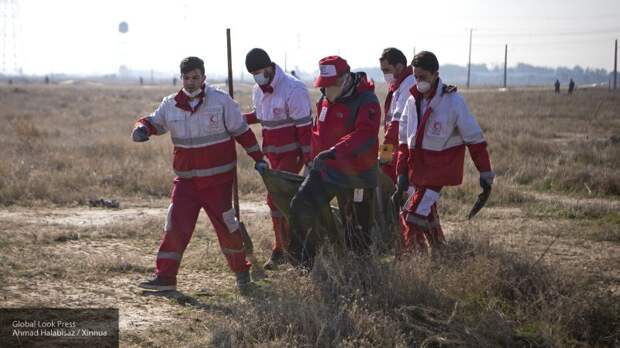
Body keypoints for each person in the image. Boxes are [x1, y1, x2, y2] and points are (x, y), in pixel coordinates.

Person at [132, 56, 268, 291]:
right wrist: (141, 129)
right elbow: (152, 122)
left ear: (203, 77)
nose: (190, 82)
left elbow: (243, 133)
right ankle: (165, 278)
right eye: (186, 77)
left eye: (195, 77)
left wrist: (259, 159)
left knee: (228, 228)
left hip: (217, 183)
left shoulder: (221, 102)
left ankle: (242, 273)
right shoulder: (171, 104)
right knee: (174, 226)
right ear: (181, 78)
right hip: (185, 183)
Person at [393, 51, 494, 253]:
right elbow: (404, 141)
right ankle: (442, 253)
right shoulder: (412, 102)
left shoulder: (453, 101)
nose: (419, 81)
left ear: (435, 74)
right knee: (426, 214)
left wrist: (485, 173)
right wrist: (402, 173)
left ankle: (410, 262)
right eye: (416, 76)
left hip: (439, 172)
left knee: (411, 216)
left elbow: (475, 140)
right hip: (418, 171)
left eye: (423, 76)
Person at [289, 55, 381, 264]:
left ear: (345, 78)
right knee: (300, 205)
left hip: (357, 174)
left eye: (331, 84)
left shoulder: (367, 100)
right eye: (324, 84)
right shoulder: (324, 99)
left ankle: (361, 272)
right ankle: (304, 263)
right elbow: (318, 132)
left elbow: (365, 134)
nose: (326, 89)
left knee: (357, 230)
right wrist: (311, 160)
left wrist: (335, 150)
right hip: (326, 169)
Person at [243, 48, 313, 269]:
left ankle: (286, 249)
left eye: (259, 71)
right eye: (253, 72)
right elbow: (259, 116)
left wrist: (309, 158)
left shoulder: (293, 89)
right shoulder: (258, 90)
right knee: (278, 201)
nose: (257, 75)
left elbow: (304, 128)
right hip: (272, 155)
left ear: (270, 66)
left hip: (292, 154)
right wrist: (236, 119)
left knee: (277, 200)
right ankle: (284, 247)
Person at [379, 48, 416, 184]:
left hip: (405, 148)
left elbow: (396, 123)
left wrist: (384, 153)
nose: (385, 75)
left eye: (387, 70)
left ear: (399, 66)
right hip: (398, 147)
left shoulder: (408, 85)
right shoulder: (398, 85)